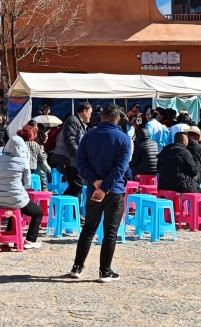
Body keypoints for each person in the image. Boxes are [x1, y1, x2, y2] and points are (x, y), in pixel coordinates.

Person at [71, 104, 131, 283]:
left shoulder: (88, 136)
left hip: (93, 189)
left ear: (102, 116)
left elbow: (80, 162)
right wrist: (104, 187)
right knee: (110, 232)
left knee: (88, 229)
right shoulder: (124, 139)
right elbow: (120, 168)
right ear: (118, 119)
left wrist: (95, 182)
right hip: (115, 190)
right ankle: (105, 271)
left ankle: (77, 267)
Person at [0, 132, 43, 249]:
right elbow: (27, 183)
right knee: (38, 212)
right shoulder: (23, 161)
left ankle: (8, 236)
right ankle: (30, 240)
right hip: (16, 198)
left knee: (14, 208)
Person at [50, 102, 91, 198]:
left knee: (77, 185)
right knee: (77, 184)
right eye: (90, 112)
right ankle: (60, 203)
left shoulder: (78, 122)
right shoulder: (73, 120)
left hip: (73, 160)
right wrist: (79, 156)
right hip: (68, 159)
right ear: (85, 111)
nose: (90, 115)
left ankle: (73, 207)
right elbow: (70, 140)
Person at [20, 124, 51, 190]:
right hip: (33, 169)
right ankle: (44, 190)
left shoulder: (19, 144)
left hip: (21, 170)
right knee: (41, 170)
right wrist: (44, 152)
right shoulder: (35, 144)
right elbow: (42, 158)